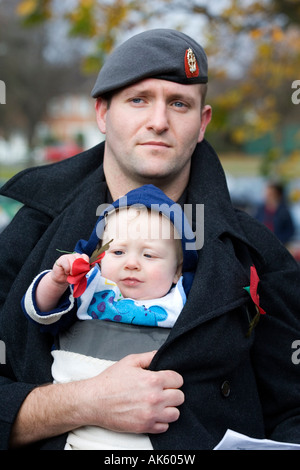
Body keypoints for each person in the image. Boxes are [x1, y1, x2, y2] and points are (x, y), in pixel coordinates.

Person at [0, 28, 300, 451]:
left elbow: (294, 408)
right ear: (102, 113)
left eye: (179, 104)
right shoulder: (29, 233)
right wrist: (83, 403)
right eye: (138, 99)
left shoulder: (256, 252)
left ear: (202, 122)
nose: (159, 121)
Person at [21, 184, 196, 449]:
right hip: (77, 421)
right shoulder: (91, 288)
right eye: (117, 252)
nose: (132, 263)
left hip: (151, 429)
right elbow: (41, 312)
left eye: (149, 254)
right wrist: (56, 282)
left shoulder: (181, 301)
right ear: (98, 256)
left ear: (176, 272)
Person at [255, 182, 295, 246]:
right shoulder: (260, 210)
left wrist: (278, 241)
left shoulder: (284, 212)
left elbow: (290, 231)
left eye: (270, 194)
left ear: (278, 195)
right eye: (266, 194)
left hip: (277, 245)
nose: (267, 196)